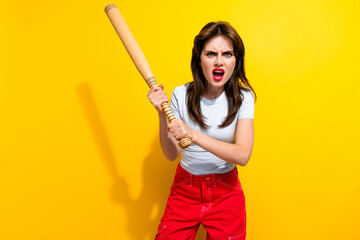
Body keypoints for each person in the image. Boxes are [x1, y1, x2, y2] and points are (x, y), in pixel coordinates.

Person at [148, 21, 256, 240]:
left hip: (226, 192)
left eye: (227, 54)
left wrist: (193, 134)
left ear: (236, 60)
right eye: (210, 54)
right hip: (185, 191)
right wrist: (161, 113)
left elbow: (243, 155)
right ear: (199, 59)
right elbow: (171, 154)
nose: (219, 61)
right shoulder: (181, 94)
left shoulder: (243, 97)